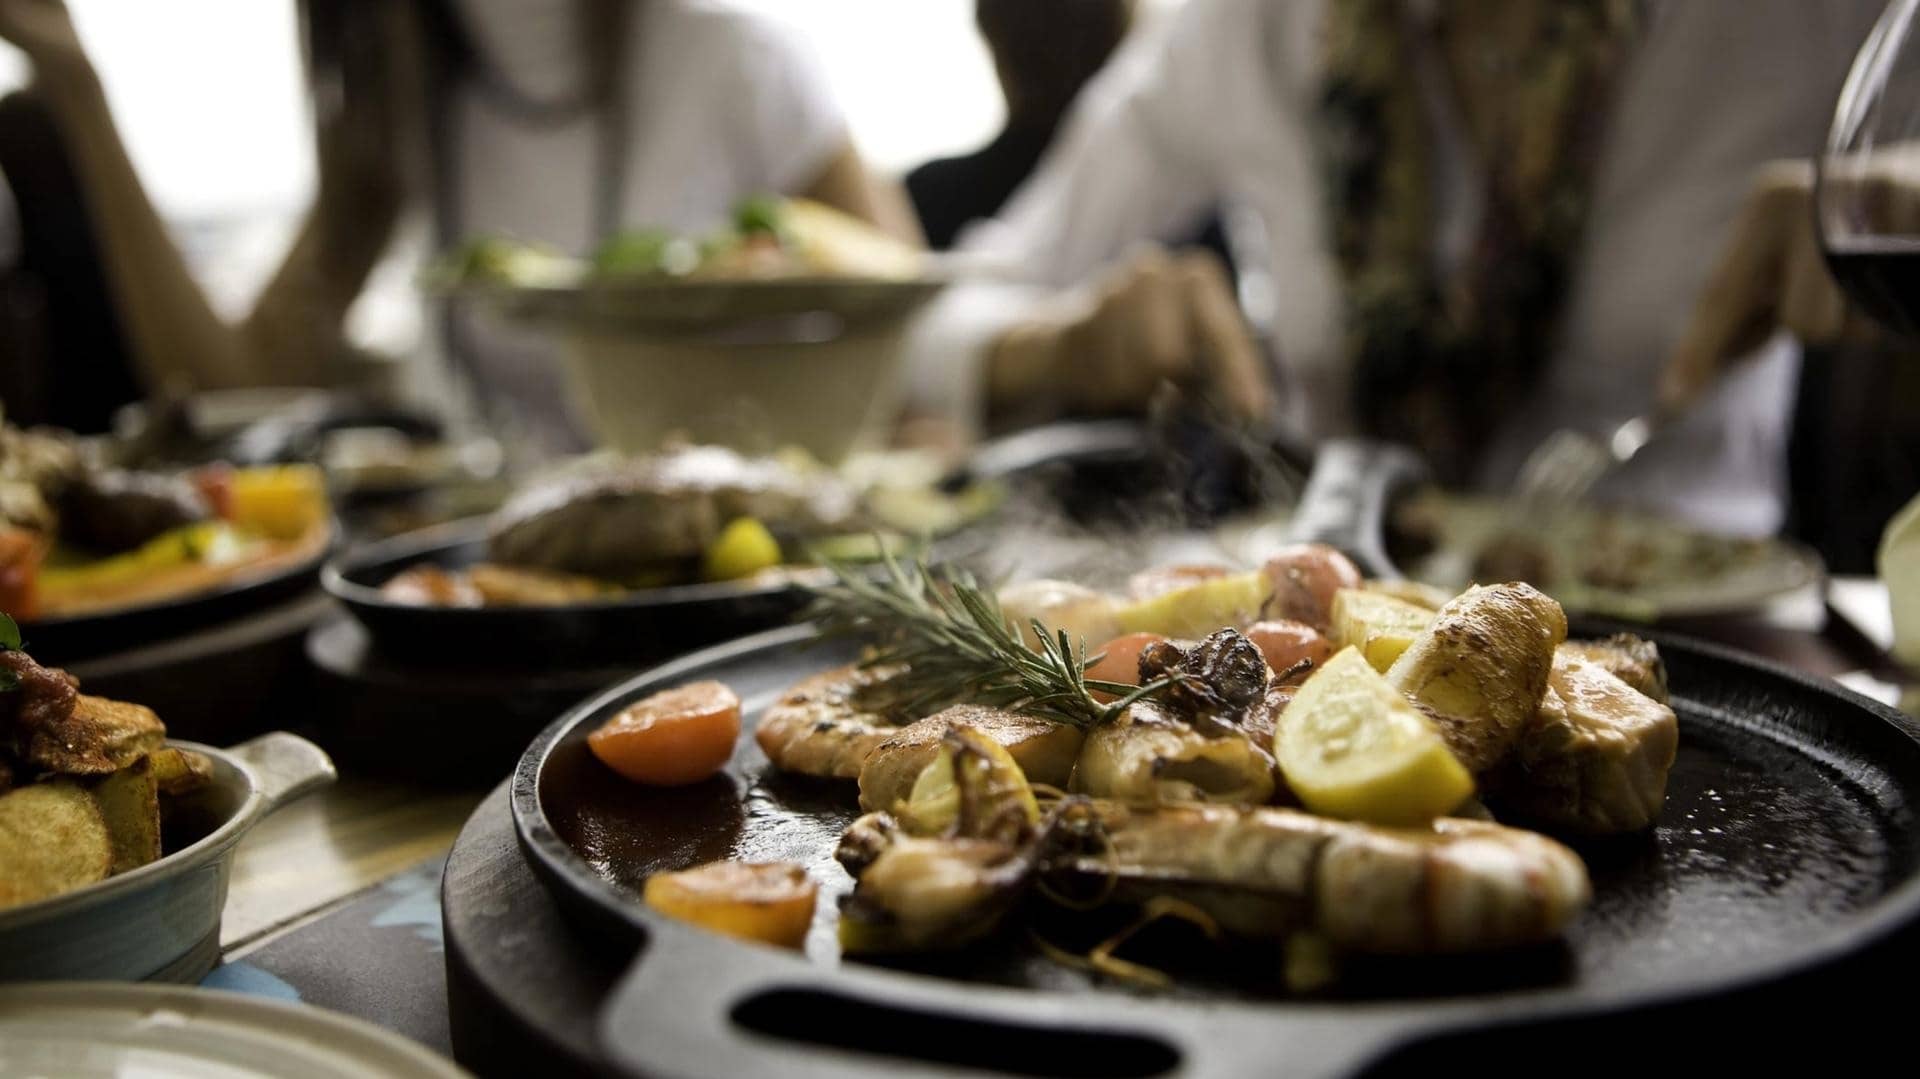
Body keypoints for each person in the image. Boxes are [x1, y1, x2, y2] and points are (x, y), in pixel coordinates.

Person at [910, 0, 1887, 535]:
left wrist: (1888, 192)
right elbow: (935, 315)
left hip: (1710, 657)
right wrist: (1061, 342)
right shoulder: (1248, 25)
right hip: (1324, 632)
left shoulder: (1802, 23)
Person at [0, 0, 919, 457]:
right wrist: (79, 89)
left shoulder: (733, 58)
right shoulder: (413, 110)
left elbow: (917, 331)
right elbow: (227, 387)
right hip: (551, 605)